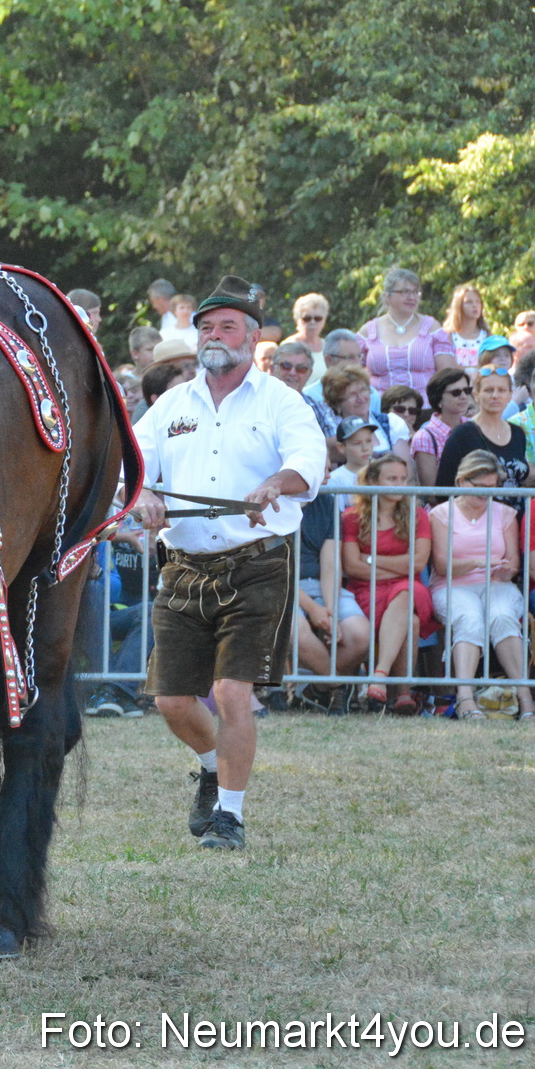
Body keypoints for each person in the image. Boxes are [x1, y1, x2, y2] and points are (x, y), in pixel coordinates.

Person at [131, 275, 326, 851]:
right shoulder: (173, 402)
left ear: (250, 336)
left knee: (233, 693)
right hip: (185, 564)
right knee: (171, 698)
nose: (216, 336)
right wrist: (143, 493)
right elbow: (135, 461)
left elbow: (308, 463)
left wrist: (276, 482)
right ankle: (213, 767)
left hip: (258, 563)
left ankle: (230, 818)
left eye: (228, 327)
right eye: (208, 327)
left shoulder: (281, 400)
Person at [428, 450, 535, 722]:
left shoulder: (506, 513)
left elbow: (512, 562)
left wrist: (506, 570)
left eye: (493, 488)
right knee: (470, 617)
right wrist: (478, 562)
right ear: (462, 481)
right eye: (480, 488)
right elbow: (441, 566)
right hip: (451, 584)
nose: (487, 494)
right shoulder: (441, 513)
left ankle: (527, 700)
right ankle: (465, 700)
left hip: (496, 584)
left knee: (502, 616)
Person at [341, 453, 433, 711]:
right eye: (392, 478)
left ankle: (379, 677)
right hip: (366, 591)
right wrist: (397, 566)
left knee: (406, 591)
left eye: (404, 479)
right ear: (372, 482)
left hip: (410, 590)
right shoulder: (352, 517)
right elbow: (352, 567)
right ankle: (402, 694)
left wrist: (370, 558)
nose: (399, 484)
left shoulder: (417, 515)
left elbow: (417, 564)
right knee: (410, 619)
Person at [290, 461, 370, 699]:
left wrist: (330, 613)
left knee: (359, 634)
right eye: (323, 470)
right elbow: (278, 570)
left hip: (320, 585)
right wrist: (313, 609)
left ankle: (315, 691)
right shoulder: (274, 506)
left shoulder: (327, 502)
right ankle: (340, 687)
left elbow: (330, 564)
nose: (329, 476)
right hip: (282, 587)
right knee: (296, 631)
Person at [357, 267, 457, 398]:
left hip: (424, 410)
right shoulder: (368, 331)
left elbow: (447, 375)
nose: (412, 297)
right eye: (405, 292)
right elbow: (353, 375)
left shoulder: (432, 328)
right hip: (378, 411)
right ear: (387, 295)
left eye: (416, 292)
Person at [435, 365, 531, 491]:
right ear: (476, 395)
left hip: (515, 510)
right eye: (489, 390)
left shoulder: (517, 433)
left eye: (501, 390)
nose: (495, 395)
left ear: (510, 395)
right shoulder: (462, 435)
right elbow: (443, 489)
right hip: (476, 510)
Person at [320, 363, 409, 458]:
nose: (361, 399)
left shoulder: (391, 423)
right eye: (352, 394)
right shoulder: (331, 430)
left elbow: (406, 466)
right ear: (337, 403)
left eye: (363, 390)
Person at [411, 368, 473, 486]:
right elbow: (431, 492)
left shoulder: (474, 427)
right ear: (438, 399)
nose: (464, 396)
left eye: (467, 390)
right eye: (456, 393)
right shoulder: (425, 437)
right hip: (444, 503)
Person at [442, 283, 488, 368]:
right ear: (458, 306)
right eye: (469, 302)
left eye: (478, 302)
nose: (475, 305)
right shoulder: (447, 336)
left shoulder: (487, 337)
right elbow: (447, 365)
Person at [289, 293, 331, 387]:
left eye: (318, 318)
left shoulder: (328, 347)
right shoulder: (288, 346)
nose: (312, 322)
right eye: (307, 318)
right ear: (297, 320)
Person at [329, 416, 376, 491]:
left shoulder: (383, 472)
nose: (365, 448)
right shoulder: (335, 479)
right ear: (341, 447)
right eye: (357, 443)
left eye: (368, 441)